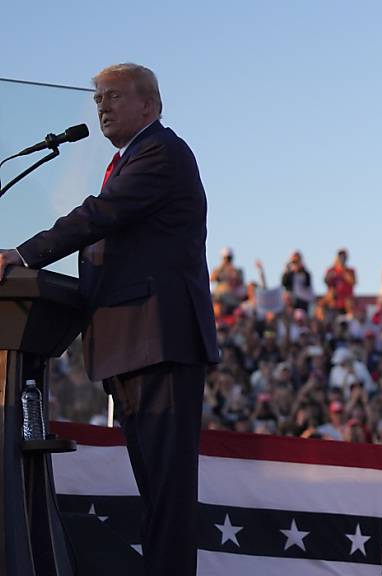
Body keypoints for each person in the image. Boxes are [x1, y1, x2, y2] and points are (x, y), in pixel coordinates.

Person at [0, 63, 219, 576]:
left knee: (167, 493)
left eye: (114, 97)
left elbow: (100, 214)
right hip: (134, 343)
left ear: (150, 105)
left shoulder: (161, 152)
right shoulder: (130, 160)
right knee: (156, 490)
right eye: (98, 98)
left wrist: (24, 255)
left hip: (159, 342)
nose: (101, 106)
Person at [324, 248, 357, 313]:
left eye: (343, 257)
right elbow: (326, 281)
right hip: (334, 303)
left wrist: (343, 270)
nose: (342, 259)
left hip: (346, 305)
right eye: (340, 257)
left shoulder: (350, 271)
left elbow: (353, 282)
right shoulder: (331, 270)